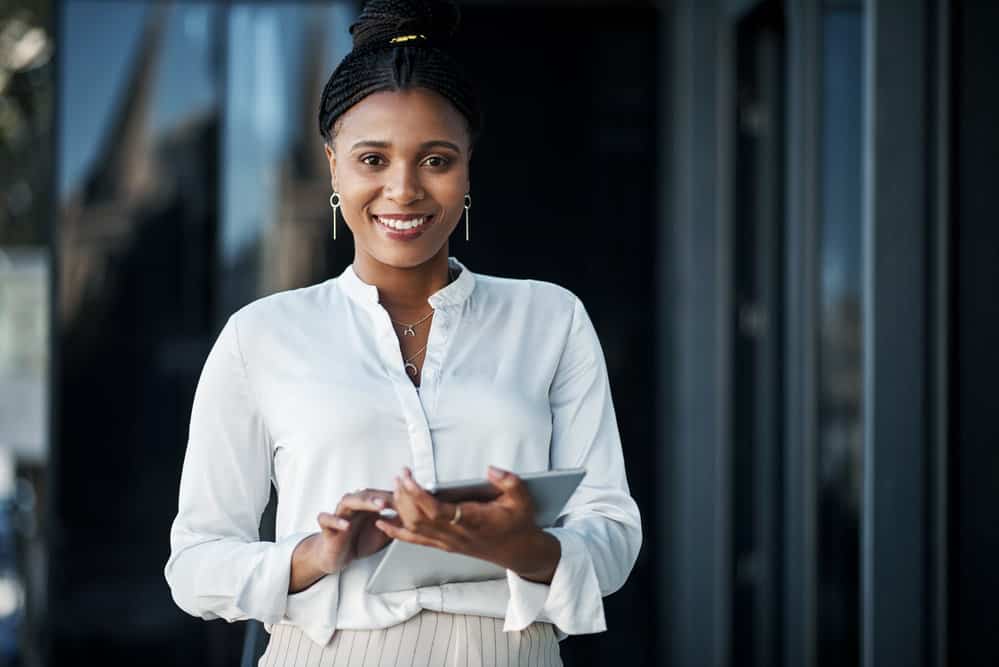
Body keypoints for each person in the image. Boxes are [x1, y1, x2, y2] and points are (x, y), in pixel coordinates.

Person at [163, 1, 642, 664]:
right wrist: (313, 552)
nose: (402, 188)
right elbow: (194, 562)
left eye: (436, 160)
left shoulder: (550, 319)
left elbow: (613, 532)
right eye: (371, 158)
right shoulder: (262, 335)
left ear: (468, 168)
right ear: (333, 166)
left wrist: (516, 544)